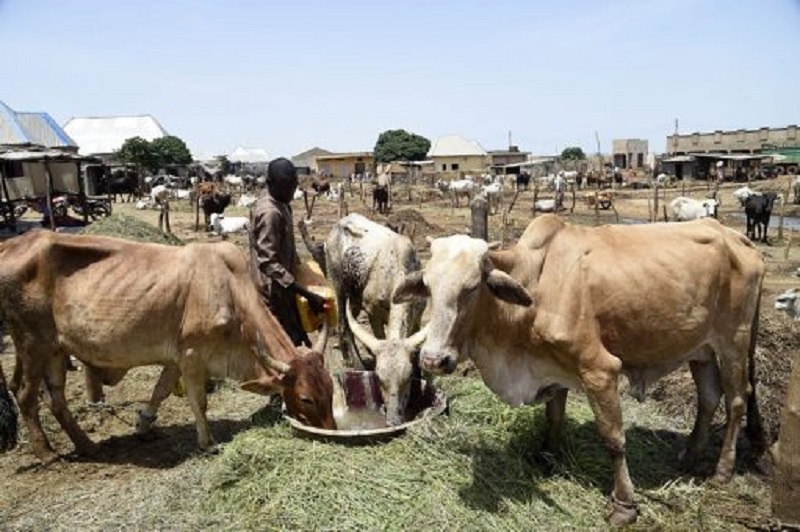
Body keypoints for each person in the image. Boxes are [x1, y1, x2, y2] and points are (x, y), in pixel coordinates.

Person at [249, 157, 327, 348]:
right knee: (281, 348)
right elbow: (268, 263)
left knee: (298, 341)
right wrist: (307, 294)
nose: (292, 193)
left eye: (293, 187)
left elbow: (287, 246)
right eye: (287, 188)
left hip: (285, 288)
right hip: (272, 293)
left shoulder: (283, 203)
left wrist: (304, 275)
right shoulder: (270, 213)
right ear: (271, 184)